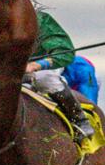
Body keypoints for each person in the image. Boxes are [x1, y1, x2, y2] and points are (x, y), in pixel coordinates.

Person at [25, 8, 96, 140]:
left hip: (41, 69)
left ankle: (80, 120)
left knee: (45, 78)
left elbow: (65, 53)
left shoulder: (40, 20)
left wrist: (37, 65)